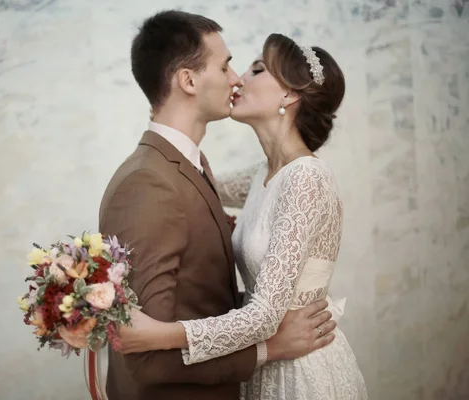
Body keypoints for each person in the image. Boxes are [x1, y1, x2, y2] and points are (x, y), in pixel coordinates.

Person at [98, 10, 337, 400]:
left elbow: (206, 294)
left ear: (290, 95)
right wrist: (269, 347)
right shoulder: (149, 182)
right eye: (226, 65)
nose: (236, 78)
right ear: (188, 81)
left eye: (252, 69)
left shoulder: (193, 166)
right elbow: (145, 357)